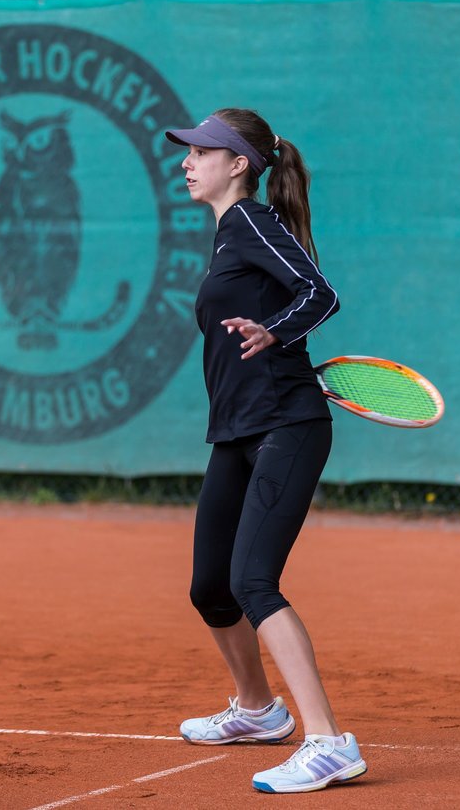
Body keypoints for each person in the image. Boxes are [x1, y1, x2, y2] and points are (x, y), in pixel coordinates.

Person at [164, 109, 366, 794]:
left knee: (253, 582)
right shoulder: (230, 236)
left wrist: (275, 334)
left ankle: (329, 743)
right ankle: (256, 710)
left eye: (201, 151)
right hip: (239, 431)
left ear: (239, 164)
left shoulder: (249, 222)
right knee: (209, 588)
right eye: (187, 152)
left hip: (287, 425)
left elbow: (322, 293)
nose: (188, 162)